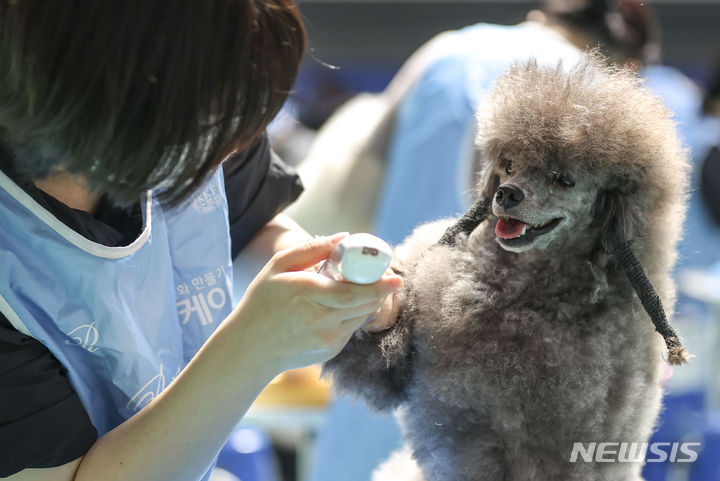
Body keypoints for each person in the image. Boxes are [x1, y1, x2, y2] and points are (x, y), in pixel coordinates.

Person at [0, 2, 401, 481]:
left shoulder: (195, 112)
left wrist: (328, 278)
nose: (233, 146)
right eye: (216, 122)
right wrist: (252, 349)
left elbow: (247, 222)